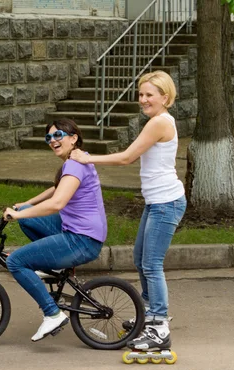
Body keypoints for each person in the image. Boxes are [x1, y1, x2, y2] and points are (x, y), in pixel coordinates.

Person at [70, 70, 186, 352]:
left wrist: (87, 158)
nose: (143, 99)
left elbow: (126, 157)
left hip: (166, 202)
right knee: (140, 258)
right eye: (141, 94)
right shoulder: (157, 121)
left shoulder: (159, 123)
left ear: (165, 97)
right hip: (157, 202)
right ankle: (149, 314)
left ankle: (159, 328)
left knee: (151, 264)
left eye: (149, 95)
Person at [3, 118, 107, 342]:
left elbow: (57, 202)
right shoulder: (76, 160)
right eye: (49, 137)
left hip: (81, 239)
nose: (52, 141)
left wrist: (18, 214)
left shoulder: (75, 163)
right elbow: (56, 187)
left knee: (15, 262)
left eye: (58, 135)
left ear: (73, 138)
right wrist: (26, 205)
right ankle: (56, 268)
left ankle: (52, 313)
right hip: (81, 232)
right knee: (29, 218)